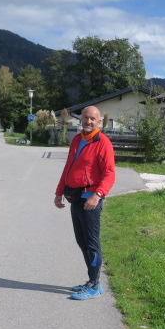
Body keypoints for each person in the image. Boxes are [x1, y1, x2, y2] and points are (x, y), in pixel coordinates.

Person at [54, 106, 116, 300]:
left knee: (91, 243)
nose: (88, 121)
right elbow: (68, 167)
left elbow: (110, 174)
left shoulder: (102, 142)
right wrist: (59, 192)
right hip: (75, 197)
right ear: (81, 119)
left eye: (92, 119)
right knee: (82, 241)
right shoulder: (76, 139)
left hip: (91, 200)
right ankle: (91, 280)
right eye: (86, 118)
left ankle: (95, 285)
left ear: (99, 122)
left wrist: (97, 195)